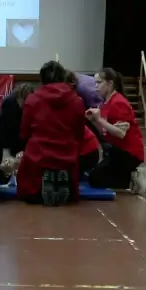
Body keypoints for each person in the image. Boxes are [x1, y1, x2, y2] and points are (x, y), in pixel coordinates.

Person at [16, 61, 85, 206]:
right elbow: (79, 132)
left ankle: (39, 189)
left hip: (39, 155)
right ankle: (64, 185)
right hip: (67, 154)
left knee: (26, 175)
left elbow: (24, 132)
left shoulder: (32, 99)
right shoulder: (77, 101)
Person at [86, 68, 146, 194]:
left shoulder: (119, 103)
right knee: (93, 175)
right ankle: (124, 176)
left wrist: (99, 119)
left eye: (99, 83)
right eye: (95, 83)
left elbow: (120, 133)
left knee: (95, 179)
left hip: (128, 153)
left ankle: (132, 178)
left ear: (110, 84)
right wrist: (94, 121)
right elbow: (105, 131)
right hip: (115, 150)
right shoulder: (105, 103)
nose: (96, 87)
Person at [0, 83, 35, 171]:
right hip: (9, 141)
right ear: (18, 97)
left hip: (24, 142)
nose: (24, 103)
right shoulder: (8, 103)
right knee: (9, 166)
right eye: (23, 100)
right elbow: (4, 127)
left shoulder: (32, 104)